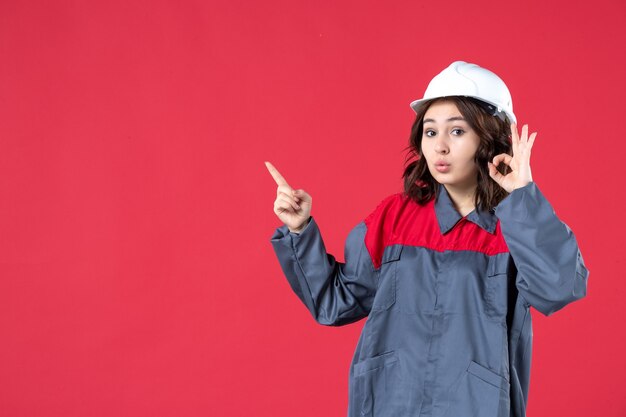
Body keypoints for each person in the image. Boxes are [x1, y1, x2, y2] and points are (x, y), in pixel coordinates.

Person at [265, 61, 589, 417]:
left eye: (457, 131)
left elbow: (559, 288)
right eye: (431, 132)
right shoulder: (393, 218)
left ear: (491, 137)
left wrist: (522, 196)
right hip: (390, 403)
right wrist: (300, 229)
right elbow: (335, 302)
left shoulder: (515, 225)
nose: (441, 147)